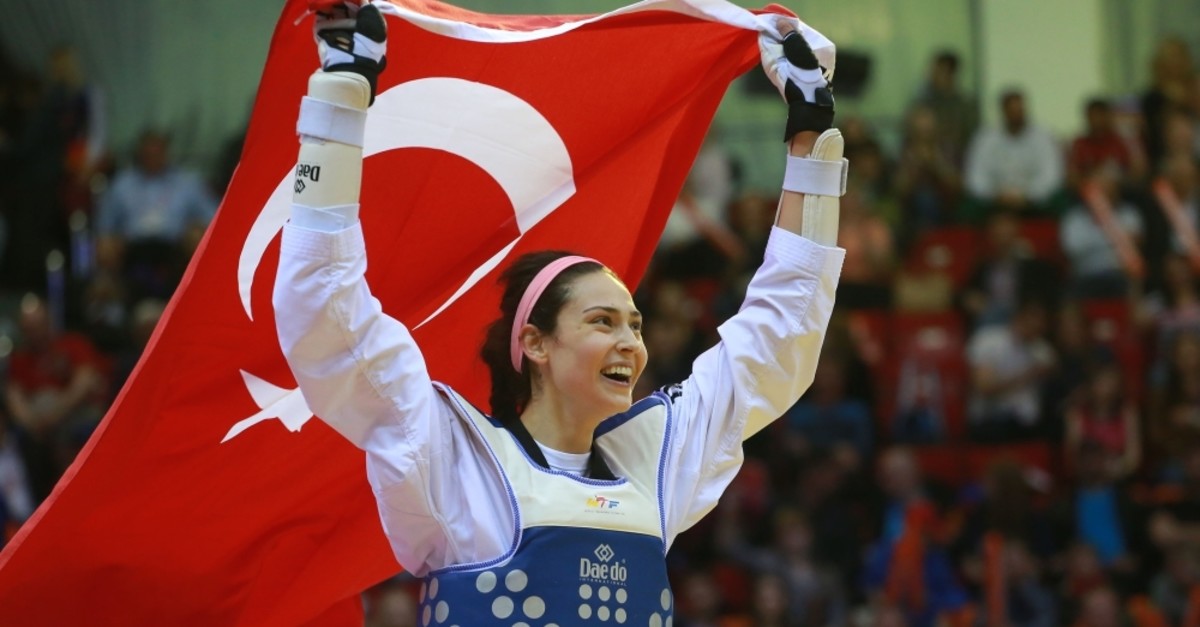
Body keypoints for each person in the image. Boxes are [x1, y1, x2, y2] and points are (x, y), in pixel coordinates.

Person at [272, 3, 846, 626]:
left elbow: (784, 332)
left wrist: (811, 137)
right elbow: (322, 305)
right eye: (602, 322)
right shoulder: (452, 455)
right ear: (536, 344)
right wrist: (340, 96)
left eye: (635, 324)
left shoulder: (653, 461)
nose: (630, 341)